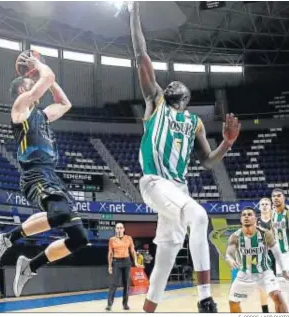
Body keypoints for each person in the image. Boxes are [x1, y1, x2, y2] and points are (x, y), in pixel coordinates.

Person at [129, 2, 241, 313]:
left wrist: (228, 143)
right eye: (170, 83)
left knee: (166, 253)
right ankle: (205, 297)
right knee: (199, 216)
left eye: (179, 86)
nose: (173, 83)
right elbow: (142, 55)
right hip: (155, 182)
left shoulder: (195, 123)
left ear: (187, 98)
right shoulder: (156, 100)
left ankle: (148, 308)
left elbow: (207, 161)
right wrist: (134, 13)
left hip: (178, 189)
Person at [0, 51, 89, 297]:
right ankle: (5, 239)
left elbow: (65, 104)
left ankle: (31, 265)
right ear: (22, 89)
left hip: (51, 175)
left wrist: (44, 74)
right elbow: (48, 75)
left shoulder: (42, 115)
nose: (36, 84)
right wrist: (39, 66)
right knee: (60, 213)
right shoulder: (20, 108)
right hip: (34, 174)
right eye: (31, 83)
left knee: (79, 238)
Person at [225, 207, 289, 313]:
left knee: (278, 297)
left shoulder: (265, 233)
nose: (246, 216)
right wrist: (230, 260)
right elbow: (228, 253)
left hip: (264, 272)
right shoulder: (235, 236)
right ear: (241, 219)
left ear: (256, 218)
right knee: (233, 303)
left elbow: (277, 252)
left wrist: (283, 270)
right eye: (244, 215)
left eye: (249, 214)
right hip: (244, 274)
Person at [106, 223, 142, 311]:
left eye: (121, 228)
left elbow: (132, 251)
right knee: (113, 284)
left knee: (126, 284)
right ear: (115, 229)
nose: (119, 229)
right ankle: (109, 305)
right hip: (116, 262)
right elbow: (110, 253)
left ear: (123, 229)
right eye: (117, 228)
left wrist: (136, 262)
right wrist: (110, 266)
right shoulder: (112, 239)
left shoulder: (128, 238)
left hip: (126, 261)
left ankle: (125, 304)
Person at [271, 188, 289, 305]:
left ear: (284, 198)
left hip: (288, 252)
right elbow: (273, 231)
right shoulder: (273, 213)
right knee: (281, 283)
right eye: (274, 196)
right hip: (279, 254)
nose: (276, 198)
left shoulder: (287, 212)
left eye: (279, 196)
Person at [257, 197, 275, 312]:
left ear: (271, 206)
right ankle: (265, 310)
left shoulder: (277, 219)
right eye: (262, 204)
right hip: (262, 255)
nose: (264, 206)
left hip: (277, 254)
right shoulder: (255, 221)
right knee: (262, 283)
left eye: (266, 204)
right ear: (259, 207)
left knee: (282, 281)